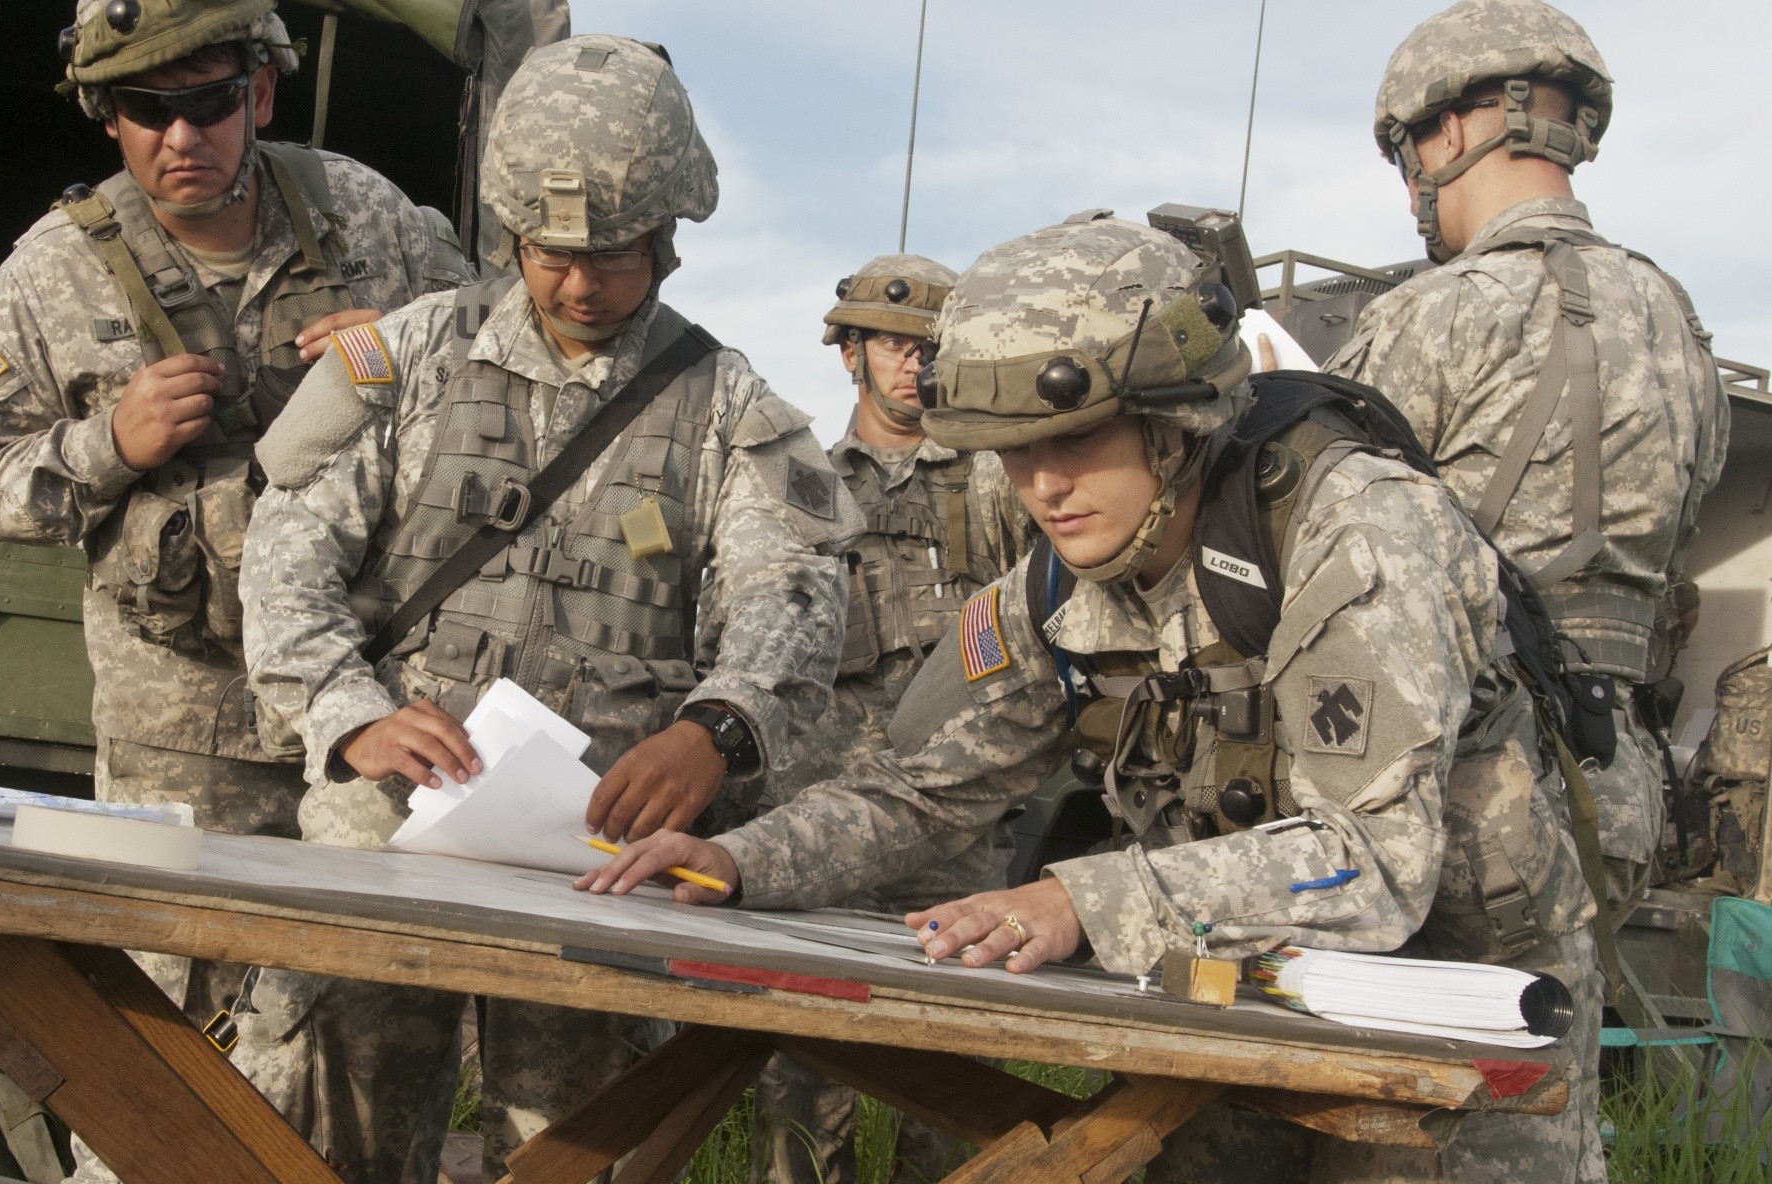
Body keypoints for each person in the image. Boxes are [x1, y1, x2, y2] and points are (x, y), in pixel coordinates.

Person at [582, 215, 1605, 1183]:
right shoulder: (1064, 583)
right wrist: (740, 859)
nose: (1042, 485)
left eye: (1073, 440)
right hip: (1239, 974)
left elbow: (1375, 860)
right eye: (1016, 451)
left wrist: (1078, 898)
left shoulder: (1359, 531)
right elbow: (932, 789)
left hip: (1459, 990)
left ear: (1175, 422)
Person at [239, 34, 858, 1184]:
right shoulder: (406, 360)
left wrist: (717, 724)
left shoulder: (730, 409)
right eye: (548, 252)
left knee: (585, 1152)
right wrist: (348, 708)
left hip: (599, 856)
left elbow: (799, 587)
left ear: (671, 235)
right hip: (389, 837)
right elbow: (286, 556)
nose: (578, 284)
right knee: (329, 1140)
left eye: (613, 254)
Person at [0, 0, 467, 1172]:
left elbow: (511, 383)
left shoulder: (367, 220)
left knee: (364, 1035)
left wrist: (414, 355)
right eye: (145, 109)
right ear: (107, 114)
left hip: (365, 720)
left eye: (207, 101)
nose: (179, 136)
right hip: (174, 733)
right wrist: (108, 445)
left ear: (262, 92)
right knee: (161, 1053)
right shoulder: (50, 274)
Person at [1323, 0, 1729, 921]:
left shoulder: (1436, 311)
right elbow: (1688, 519)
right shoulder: (1678, 320)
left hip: (1462, 772)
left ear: (1453, 126)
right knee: (1554, 1049)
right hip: (1617, 780)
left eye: (1406, 153)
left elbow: (1321, 533)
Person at [739, 255, 1029, 1184]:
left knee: (943, 1078)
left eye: (931, 348)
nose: (913, 366)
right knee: (805, 1070)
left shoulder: (998, 485)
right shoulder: (802, 488)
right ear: (850, 355)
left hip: (956, 826)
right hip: (822, 821)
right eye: (893, 345)